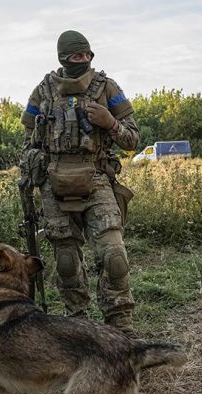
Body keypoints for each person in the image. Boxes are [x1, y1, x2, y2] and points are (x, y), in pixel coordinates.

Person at [19, 30, 140, 336]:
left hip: (97, 179)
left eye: (86, 55)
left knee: (114, 256)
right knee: (66, 261)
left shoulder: (106, 87)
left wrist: (109, 123)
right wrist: (34, 163)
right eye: (75, 56)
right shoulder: (43, 91)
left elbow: (134, 140)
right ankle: (79, 328)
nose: (82, 60)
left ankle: (120, 331)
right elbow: (26, 140)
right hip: (54, 183)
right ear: (62, 57)